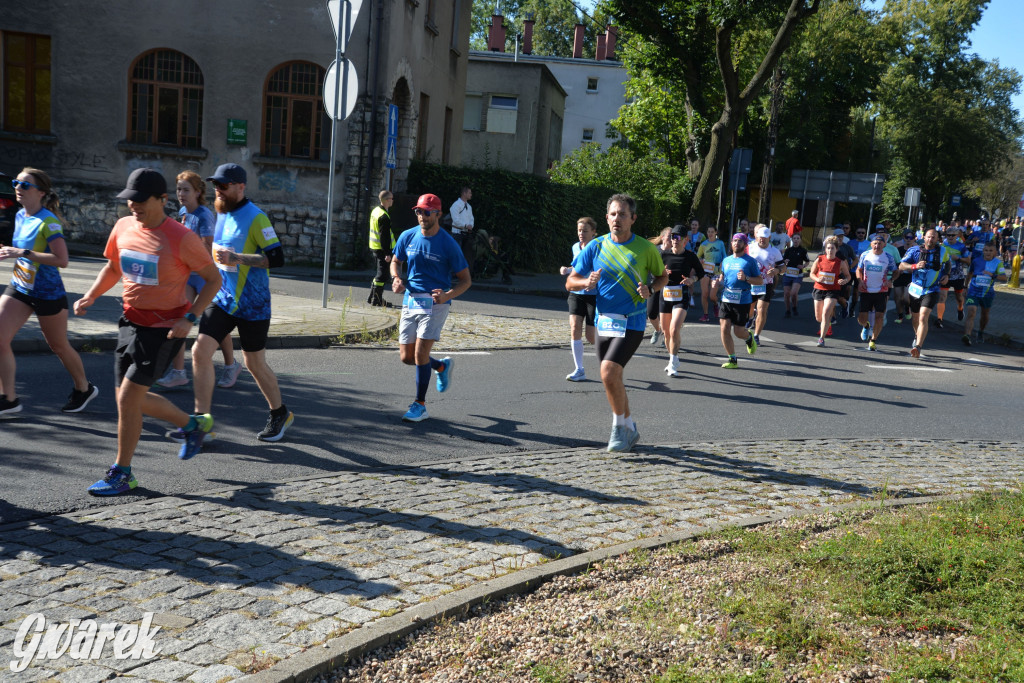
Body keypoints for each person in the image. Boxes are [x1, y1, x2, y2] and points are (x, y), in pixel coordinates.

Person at [74, 168, 222, 495]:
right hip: (130, 322)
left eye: (141, 201)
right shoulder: (124, 227)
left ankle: (122, 472)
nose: (133, 206)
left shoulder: (181, 237)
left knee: (129, 397)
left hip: (165, 328)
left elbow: (214, 279)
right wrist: (92, 295)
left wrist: (192, 317)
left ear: (162, 200)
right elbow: (114, 266)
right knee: (128, 400)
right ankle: (193, 424)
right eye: (130, 200)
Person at [188, 164, 293, 442]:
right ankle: (202, 422)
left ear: (240, 187)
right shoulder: (220, 213)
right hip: (222, 299)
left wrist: (239, 259)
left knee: (254, 364)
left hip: (253, 304)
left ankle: (279, 412)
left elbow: (278, 258)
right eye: (215, 186)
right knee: (199, 352)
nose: (218, 190)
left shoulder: (257, 218)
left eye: (223, 186)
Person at [566, 193, 666, 452]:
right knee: (613, 378)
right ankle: (630, 428)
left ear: (633, 218)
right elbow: (570, 281)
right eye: (612, 214)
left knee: (608, 372)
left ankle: (617, 429)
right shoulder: (596, 247)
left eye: (622, 214)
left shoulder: (645, 248)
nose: (616, 219)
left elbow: (662, 277)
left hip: (632, 322)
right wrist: (586, 283)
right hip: (604, 321)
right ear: (606, 217)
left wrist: (651, 290)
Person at [0, 168, 98, 416]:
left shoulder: (49, 221)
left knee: (58, 345)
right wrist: (9, 250)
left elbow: (62, 260)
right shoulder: (21, 215)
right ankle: (9, 399)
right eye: (16, 183)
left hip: (47, 293)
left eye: (25, 185)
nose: (18, 188)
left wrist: (22, 253)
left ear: (41, 192)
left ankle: (83, 388)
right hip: (20, 287)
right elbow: (22, 251)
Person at [155, 171, 240, 390]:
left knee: (214, 326)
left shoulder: (204, 215)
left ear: (198, 192)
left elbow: (207, 249)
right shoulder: (184, 212)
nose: (181, 194)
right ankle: (178, 372)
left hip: (206, 278)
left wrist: (182, 252)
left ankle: (231, 365)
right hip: (188, 276)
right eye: (179, 189)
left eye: (186, 190)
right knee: (179, 319)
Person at [391, 193, 471, 422]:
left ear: (438, 214)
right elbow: (396, 260)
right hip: (411, 300)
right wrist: (396, 277)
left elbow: (466, 280)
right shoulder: (408, 236)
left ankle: (420, 404)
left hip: (436, 304)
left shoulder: (448, 244)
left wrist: (448, 295)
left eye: (427, 212)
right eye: (419, 211)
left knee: (420, 353)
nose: (422, 216)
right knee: (407, 357)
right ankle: (441, 367)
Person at [658, 225, 704, 376]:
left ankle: (672, 363)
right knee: (666, 332)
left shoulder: (690, 256)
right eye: (673, 237)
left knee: (674, 328)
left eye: (678, 238)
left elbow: (701, 273)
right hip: (665, 295)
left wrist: (692, 279)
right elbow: (654, 274)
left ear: (685, 240)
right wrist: (662, 273)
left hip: (681, 295)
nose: (674, 240)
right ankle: (673, 357)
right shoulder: (663, 255)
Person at [898, 227, 950, 358]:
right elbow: (901, 266)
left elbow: (948, 264)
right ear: (924, 237)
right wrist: (915, 266)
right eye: (928, 236)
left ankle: (918, 347)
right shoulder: (914, 250)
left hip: (932, 289)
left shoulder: (943, 251)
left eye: (933, 237)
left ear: (938, 239)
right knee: (915, 318)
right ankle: (917, 336)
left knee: (923, 317)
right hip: (915, 289)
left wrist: (947, 275)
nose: (931, 239)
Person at [559, 217, 598, 381]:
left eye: (585, 231)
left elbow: (601, 268)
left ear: (594, 232)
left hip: (593, 295)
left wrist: (594, 281)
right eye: (579, 230)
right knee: (574, 327)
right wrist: (567, 270)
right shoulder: (576, 246)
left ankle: (613, 347)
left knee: (591, 337)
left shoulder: (598, 247)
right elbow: (577, 267)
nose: (581, 234)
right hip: (576, 293)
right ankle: (579, 369)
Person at [717, 233, 761, 368]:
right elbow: (722, 278)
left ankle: (749, 338)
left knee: (738, 332)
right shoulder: (726, 260)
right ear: (731, 243)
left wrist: (746, 278)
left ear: (745, 244)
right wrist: (718, 282)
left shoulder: (750, 261)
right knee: (724, 329)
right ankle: (732, 359)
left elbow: (760, 281)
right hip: (726, 298)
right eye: (735, 241)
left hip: (742, 300)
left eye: (740, 241)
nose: (737, 243)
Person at [855, 233, 897, 351]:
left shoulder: (888, 257)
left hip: (881, 291)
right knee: (861, 318)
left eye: (880, 243)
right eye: (875, 243)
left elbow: (896, 271)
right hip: (866, 290)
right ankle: (866, 326)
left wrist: (891, 280)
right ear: (871, 244)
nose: (877, 246)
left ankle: (873, 341)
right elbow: (859, 269)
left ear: (884, 245)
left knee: (879, 317)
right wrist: (860, 281)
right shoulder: (865, 255)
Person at [962, 242, 1007, 345]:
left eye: (990, 251)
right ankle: (967, 335)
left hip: (987, 294)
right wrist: (965, 287)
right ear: (983, 251)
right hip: (973, 291)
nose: (988, 252)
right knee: (971, 312)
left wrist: (993, 275)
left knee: (985, 314)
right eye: (986, 250)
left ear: (995, 252)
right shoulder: (976, 261)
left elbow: (1004, 278)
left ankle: (980, 332)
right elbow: (969, 274)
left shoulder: (997, 263)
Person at [809, 236, 851, 347]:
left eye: (832, 248)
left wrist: (844, 280)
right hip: (819, 289)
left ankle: (821, 339)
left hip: (832, 291)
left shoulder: (840, 262)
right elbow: (811, 273)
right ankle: (828, 323)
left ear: (836, 250)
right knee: (819, 318)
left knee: (826, 312)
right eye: (828, 248)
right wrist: (818, 279)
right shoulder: (820, 259)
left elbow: (848, 276)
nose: (830, 250)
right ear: (825, 249)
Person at [746, 225, 784, 346]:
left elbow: (783, 267)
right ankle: (751, 317)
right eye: (760, 237)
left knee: (762, 309)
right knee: (749, 308)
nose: (762, 239)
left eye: (765, 237)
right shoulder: (750, 248)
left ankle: (756, 335)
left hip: (766, 284)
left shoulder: (775, 252)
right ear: (756, 236)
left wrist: (776, 271)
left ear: (769, 237)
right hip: (751, 283)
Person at [935, 227, 969, 328]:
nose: (950, 237)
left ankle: (960, 308)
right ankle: (939, 319)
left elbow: (968, 261)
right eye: (948, 235)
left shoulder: (961, 246)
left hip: (958, 276)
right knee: (942, 297)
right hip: (945, 275)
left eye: (952, 235)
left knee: (959, 298)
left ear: (957, 235)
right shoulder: (942, 246)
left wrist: (958, 258)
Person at [367, 190, 397, 308]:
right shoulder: (384, 216)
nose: (393, 201)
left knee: (380, 274)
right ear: (386, 200)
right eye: (391, 198)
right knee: (382, 275)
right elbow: (384, 236)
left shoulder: (376, 211)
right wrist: (387, 253)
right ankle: (377, 300)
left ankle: (372, 297)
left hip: (375, 247)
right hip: (381, 249)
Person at [697, 225, 726, 322]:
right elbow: (697, 257)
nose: (710, 234)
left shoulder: (720, 243)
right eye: (708, 232)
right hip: (705, 271)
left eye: (712, 232)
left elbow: (725, 257)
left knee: (712, 295)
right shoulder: (704, 244)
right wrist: (700, 260)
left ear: (716, 232)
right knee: (704, 294)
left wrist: (723, 266)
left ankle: (716, 304)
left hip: (716, 271)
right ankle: (705, 315)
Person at [449, 186, 476, 276]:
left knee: (464, 254)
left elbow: (471, 218)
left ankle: (460, 273)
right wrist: (465, 225)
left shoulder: (469, 206)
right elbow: (455, 220)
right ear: (464, 193)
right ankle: (453, 273)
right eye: (469, 193)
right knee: (456, 254)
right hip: (457, 233)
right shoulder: (456, 205)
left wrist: (470, 226)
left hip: (466, 233)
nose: (471, 195)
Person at [781, 236, 810, 317]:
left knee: (793, 293)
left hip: (798, 275)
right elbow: (782, 261)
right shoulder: (788, 250)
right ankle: (787, 310)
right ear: (792, 240)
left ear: (800, 240)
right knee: (787, 293)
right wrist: (784, 261)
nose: (796, 240)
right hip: (787, 274)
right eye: (794, 238)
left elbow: (807, 261)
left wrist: (803, 266)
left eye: (798, 238)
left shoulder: (803, 250)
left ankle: (794, 306)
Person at [891, 230, 914, 323]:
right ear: (903, 238)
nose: (908, 240)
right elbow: (894, 262)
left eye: (911, 238)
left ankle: (908, 309)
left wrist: (911, 269)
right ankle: (900, 316)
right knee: (897, 298)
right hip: (899, 276)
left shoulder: (916, 250)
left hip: (910, 277)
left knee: (905, 298)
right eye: (906, 237)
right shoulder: (899, 250)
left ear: (914, 239)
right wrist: (897, 270)